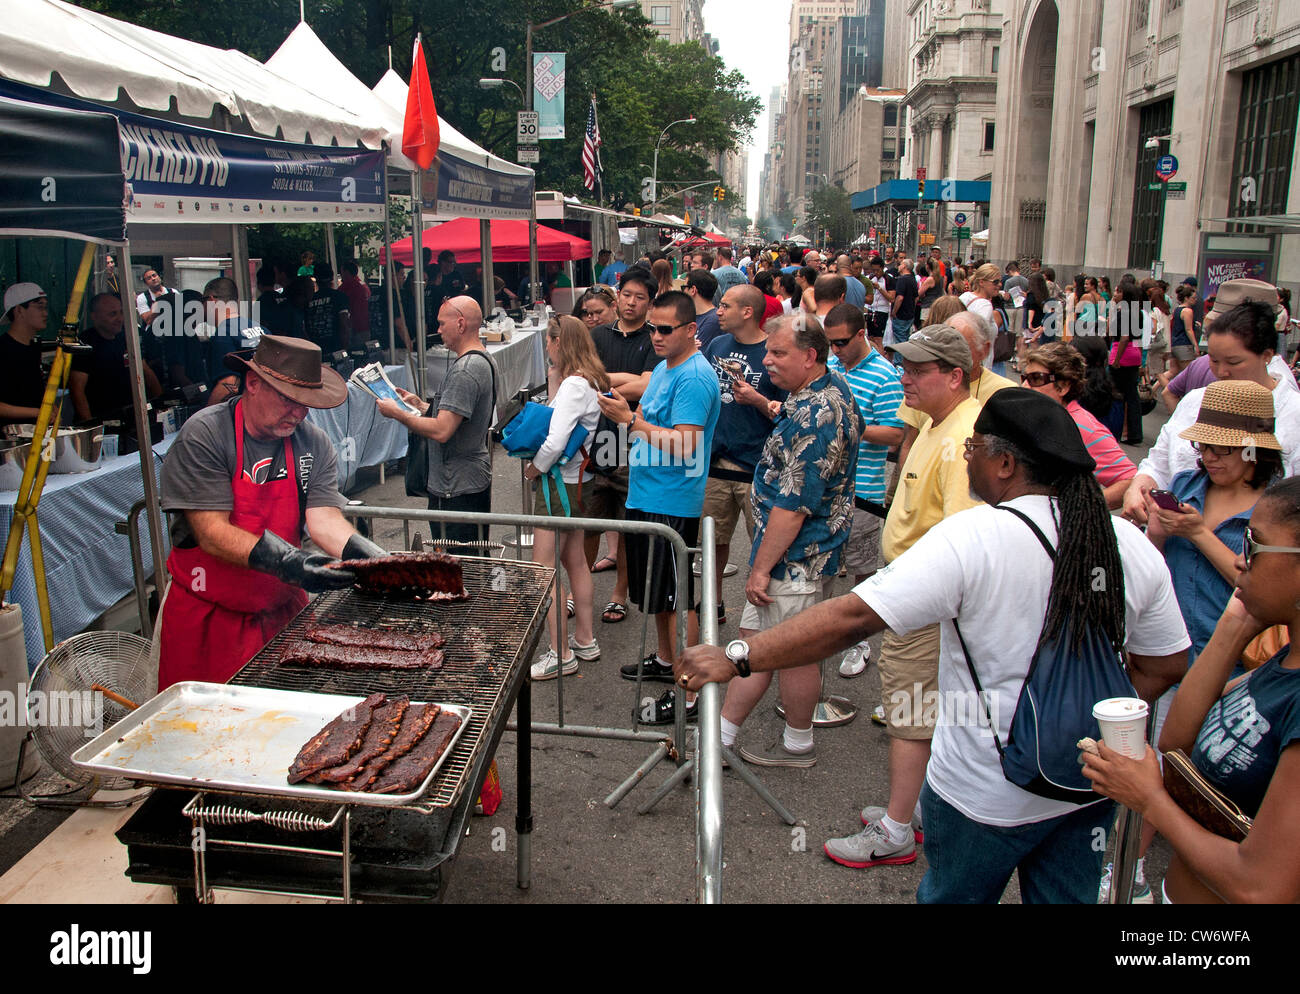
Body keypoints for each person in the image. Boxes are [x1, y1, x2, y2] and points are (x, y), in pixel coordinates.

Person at [677, 388, 1191, 903]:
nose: (968, 458)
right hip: (1089, 781)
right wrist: (1080, 712)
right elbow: (1166, 662)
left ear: (1006, 462)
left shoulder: (973, 537)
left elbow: (852, 617)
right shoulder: (1123, 541)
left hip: (984, 794)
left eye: (973, 449)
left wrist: (735, 656)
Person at [1085, 475, 1300, 904]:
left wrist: (1148, 799)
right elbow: (1178, 741)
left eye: (1253, 545)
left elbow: (1262, 888)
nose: (1240, 562)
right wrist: (1235, 623)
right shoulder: (1285, 663)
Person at [155, 335, 385, 689]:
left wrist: (370, 558)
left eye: (306, 403)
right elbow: (212, 533)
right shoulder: (205, 435)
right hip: (208, 617)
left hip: (281, 612)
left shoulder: (312, 442)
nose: (299, 413)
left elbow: (323, 519)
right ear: (253, 383)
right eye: (288, 400)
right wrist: (290, 562)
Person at [718, 313, 862, 765]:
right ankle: (733, 740)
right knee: (777, 647)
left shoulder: (818, 411)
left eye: (778, 353)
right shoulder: (822, 392)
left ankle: (747, 742)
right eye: (769, 350)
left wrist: (760, 565)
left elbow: (793, 504)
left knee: (774, 649)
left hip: (796, 556)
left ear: (810, 356)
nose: (768, 360)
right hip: (806, 553)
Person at [597, 290, 720, 725]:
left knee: (676, 597)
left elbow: (686, 444)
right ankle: (668, 662)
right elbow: (643, 399)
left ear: (691, 330)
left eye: (665, 329)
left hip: (671, 501)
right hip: (648, 495)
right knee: (660, 595)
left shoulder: (693, 378)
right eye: (652, 327)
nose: (656, 336)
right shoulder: (669, 367)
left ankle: (689, 695)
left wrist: (630, 422)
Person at [1124, 300, 1300, 523]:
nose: (1221, 372)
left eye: (1234, 362)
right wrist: (1138, 486)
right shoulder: (1195, 401)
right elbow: (1158, 463)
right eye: (1214, 361)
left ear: (1267, 355)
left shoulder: (1293, 415)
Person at [377, 296, 497, 547]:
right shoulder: (482, 359)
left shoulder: (466, 369)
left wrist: (399, 414)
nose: (438, 330)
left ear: (461, 324)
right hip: (465, 480)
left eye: (442, 324)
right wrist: (421, 406)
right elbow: (459, 415)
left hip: (456, 485)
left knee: (459, 567)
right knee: (469, 562)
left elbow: (443, 430)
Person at [525, 316, 608, 680]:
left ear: (561, 342)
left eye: (549, 340)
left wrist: (535, 467)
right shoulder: (586, 380)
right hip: (578, 482)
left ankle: (560, 652)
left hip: (560, 482)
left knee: (544, 571)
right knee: (575, 559)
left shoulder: (575, 384)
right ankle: (584, 639)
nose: (546, 346)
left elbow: (556, 441)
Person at [825, 302, 905, 677]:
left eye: (841, 342)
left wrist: (849, 425)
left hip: (864, 493)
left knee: (861, 572)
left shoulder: (886, 376)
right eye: (831, 343)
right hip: (827, 487)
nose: (836, 350)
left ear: (861, 334)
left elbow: (894, 435)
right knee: (823, 568)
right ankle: (819, 636)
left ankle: (860, 643)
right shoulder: (832, 366)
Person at [700, 285, 786, 627]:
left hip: (758, 470)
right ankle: (713, 602)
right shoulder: (717, 346)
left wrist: (758, 401)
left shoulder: (773, 351)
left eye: (725, 305)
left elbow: (787, 414)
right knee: (712, 542)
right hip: (716, 465)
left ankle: (765, 616)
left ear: (748, 312)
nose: (718, 311)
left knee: (763, 546)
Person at [585, 269, 660, 622]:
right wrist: (625, 381)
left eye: (640, 297)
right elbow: (582, 376)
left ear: (650, 302)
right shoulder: (598, 334)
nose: (631, 302)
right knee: (588, 523)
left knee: (627, 523)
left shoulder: (655, 338)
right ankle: (578, 591)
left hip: (634, 441)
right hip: (596, 438)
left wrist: (604, 382)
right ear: (618, 295)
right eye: (627, 294)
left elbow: (648, 386)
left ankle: (619, 594)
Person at [1021, 342, 1136, 509]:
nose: (1025, 386)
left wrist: (1080, 510)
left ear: (1063, 386)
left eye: (1036, 378)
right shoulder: (1032, 416)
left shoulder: (1083, 427)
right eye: (1024, 378)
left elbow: (1131, 481)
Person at [71, 293, 162, 421]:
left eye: (121, 313)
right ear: (94, 316)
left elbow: (145, 371)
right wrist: (90, 426)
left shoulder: (126, 338)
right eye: (112, 314)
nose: (120, 318)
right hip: (103, 420)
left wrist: (162, 405)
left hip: (132, 417)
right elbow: (77, 390)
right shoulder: (84, 343)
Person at [0, 283, 51, 426]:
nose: (45, 313)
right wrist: (37, 412)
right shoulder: (3, 350)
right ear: (19, 310)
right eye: (39, 307)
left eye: (45, 307)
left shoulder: (33, 348)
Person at [1107, 282, 1147, 446]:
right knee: (1132, 396)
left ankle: (1113, 427)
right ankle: (1134, 432)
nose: (1115, 295)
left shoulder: (1123, 312)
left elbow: (1122, 337)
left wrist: (1116, 360)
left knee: (1114, 393)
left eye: (1117, 292)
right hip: (1134, 353)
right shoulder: (1138, 313)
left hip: (1121, 354)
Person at [304, 263, 350, 355]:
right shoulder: (339, 297)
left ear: (316, 279)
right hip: (336, 349)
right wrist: (345, 350)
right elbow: (344, 325)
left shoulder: (308, 300)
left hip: (316, 350)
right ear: (332, 277)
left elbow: (304, 329)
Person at [339, 260, 371, 351]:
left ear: (346, 272)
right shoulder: (363, 286)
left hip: (352, 329)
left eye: (341, 272)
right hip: (365, 326)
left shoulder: (344, 288)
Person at [686, 269, 721, 348]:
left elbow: (699, 352)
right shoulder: (689, 315)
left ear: (693, 290)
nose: (682, 292)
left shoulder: (713, 320)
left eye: (683, 287)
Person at [865, 256, 894, 342]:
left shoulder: (888, 279)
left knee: (878, 339)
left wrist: (880, 288)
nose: (876, 272)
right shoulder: (870, 278)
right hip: (871, 310)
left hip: (882, 311)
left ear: (882, 268)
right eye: (873, 270)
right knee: (870, 338)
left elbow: (892, 298)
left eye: (878, 270)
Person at [891, 259, 919, 346]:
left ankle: (899, 359)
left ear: (904, 266)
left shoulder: (902, 280)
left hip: (901, 315)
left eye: (900, 264)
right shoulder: (912, 279)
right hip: (909, 314)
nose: (899, 266)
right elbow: (916, 297)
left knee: (900, 340)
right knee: (905, 337)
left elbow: (900, 297)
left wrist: (894, 312)